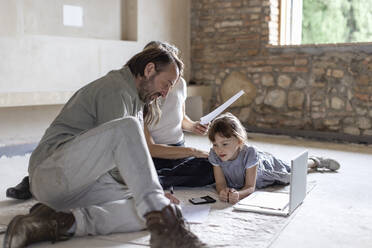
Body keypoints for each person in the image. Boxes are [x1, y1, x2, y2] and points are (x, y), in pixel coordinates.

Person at [4, 47, 208, 248]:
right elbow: (120, 167)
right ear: (149, 70)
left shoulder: (135, 99)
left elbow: (118, 169)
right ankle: (163, 222)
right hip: (50, 172)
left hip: (79, 184)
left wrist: (149, 197)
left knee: (170, 209)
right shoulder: (115, 88)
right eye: (166, 84)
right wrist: (146, 195)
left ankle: (56, 223)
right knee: (129, 129)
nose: (165, 94)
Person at [207, 112, 341, 204]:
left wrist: (239, 195)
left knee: (291, 173)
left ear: (239, 142)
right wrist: (223, 192)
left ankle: (314, 162)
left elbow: (249, 187)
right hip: (248, 170)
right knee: (290, 170)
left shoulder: (249, 153)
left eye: (224, 144)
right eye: (215, 144)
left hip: (264, 170)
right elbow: (220, 183)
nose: (219, 149)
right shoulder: (215, 154)